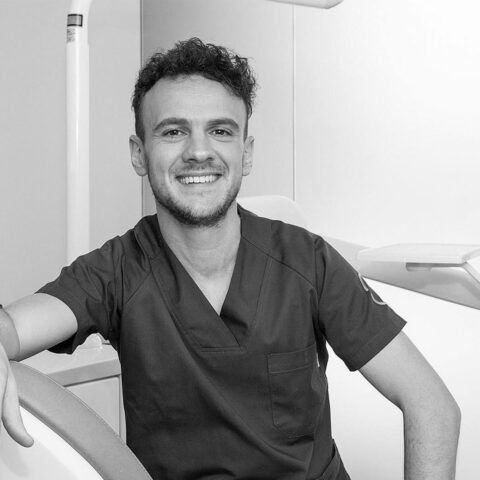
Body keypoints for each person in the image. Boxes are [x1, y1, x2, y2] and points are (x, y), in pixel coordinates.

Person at [0, 37, 460, 480]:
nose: (199, 152)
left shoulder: (308, 261)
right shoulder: (118, 270)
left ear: (246, 152)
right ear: (139, 154)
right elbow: (14, 329)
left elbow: (431, 404)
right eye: (173, 131)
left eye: (220, 131)